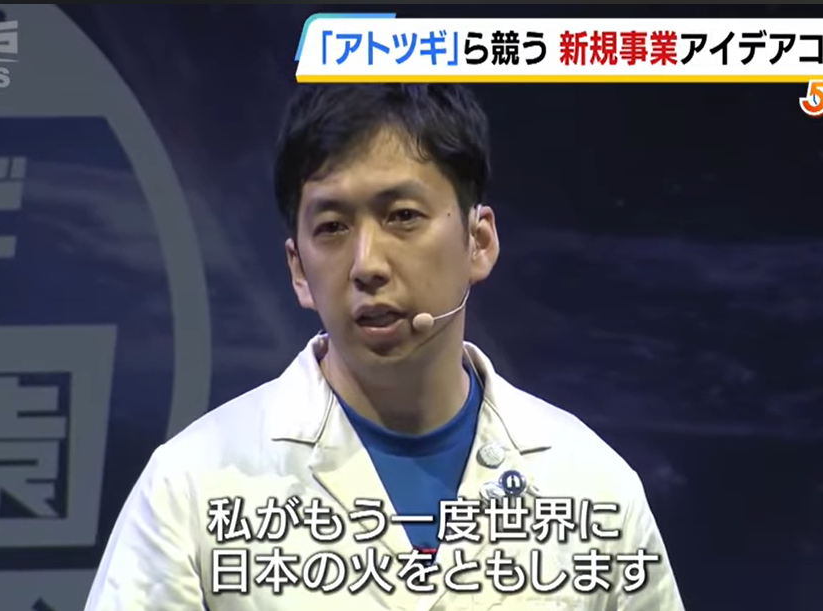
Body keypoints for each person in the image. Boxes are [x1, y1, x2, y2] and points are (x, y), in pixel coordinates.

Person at [84, 84, 686, 611]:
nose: (366, 264)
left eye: (401, 216)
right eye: (332, 228)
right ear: (298, 270)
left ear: (478, 241)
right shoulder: (192, 485)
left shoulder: (591, 483)